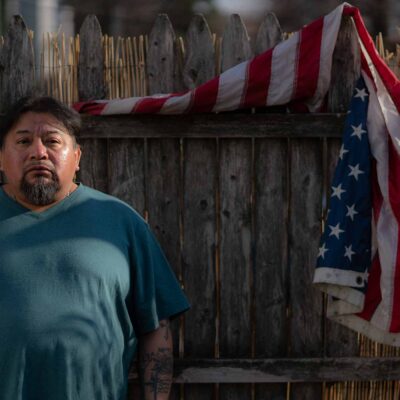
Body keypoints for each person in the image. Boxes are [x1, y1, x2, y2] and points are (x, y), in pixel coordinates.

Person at [0, 96, 190, 400]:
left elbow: (156, 327)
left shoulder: (120, 221)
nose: (38, 153)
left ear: (76, 157)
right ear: (1, 157)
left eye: (52, 140)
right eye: (23, 141)